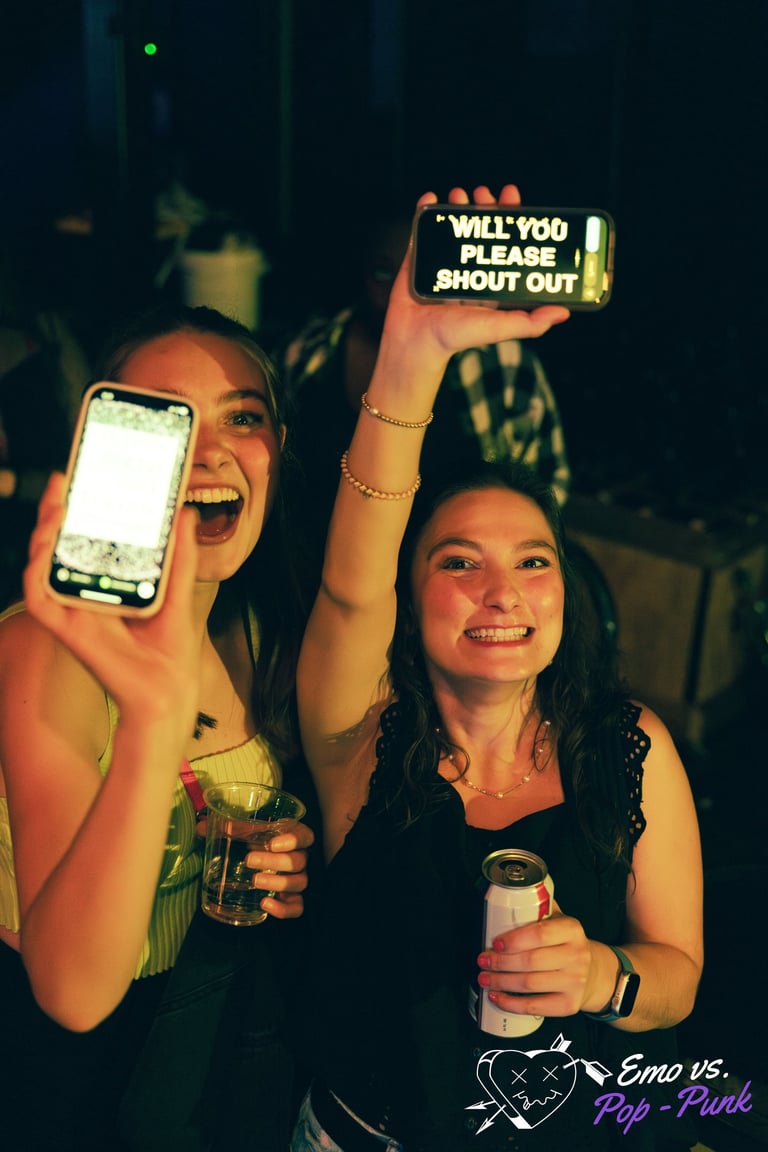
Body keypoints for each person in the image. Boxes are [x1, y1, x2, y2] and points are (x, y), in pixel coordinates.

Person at [291, 185, 704, 1152]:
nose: (503, 592)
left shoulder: (630, 746)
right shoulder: (360, 738)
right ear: (407, 598)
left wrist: (603, 976)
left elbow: (678, 975)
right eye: (459, 563)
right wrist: (413, 350)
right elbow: (350, 586)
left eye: (533, 562)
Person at [0, 304, 316, 1151]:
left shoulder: (253, 630)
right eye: (168, 420)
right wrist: (151, 721)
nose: (210, 451)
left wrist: (281, 862)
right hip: (73, 1080)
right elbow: (72, 993)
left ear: (278, 448)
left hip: (204, 1053)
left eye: (242, 418)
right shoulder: (47, 645)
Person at [278, 206, 570, 583]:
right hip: (321, 574)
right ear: (362, 270)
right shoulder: (305, 355)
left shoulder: (499, 361)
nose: (397, 292)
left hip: (457, 586)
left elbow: (545, 488)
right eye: (383, 273)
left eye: (417, 274)